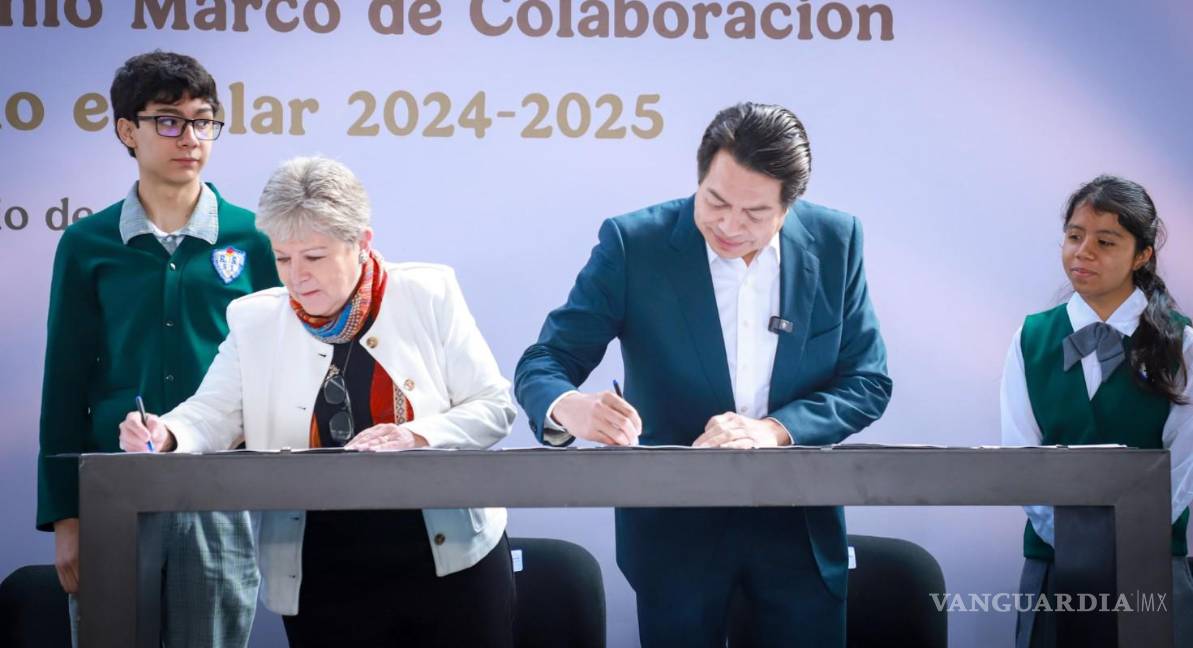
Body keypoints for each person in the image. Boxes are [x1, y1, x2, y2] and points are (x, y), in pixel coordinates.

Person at [514, 102, 892, 647]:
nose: (730, 226)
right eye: (715, 201)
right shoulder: (634, 243)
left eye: (755, 213)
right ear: (700, 177)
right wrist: (567, 407)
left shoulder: (837, 241)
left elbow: (867, 381)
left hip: (799, 529)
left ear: (789, 205)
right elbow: (544, 361)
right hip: (675, 532)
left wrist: (774, 430)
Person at [118, 156, 518, 647]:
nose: (296, 277)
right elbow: (212, 414)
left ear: (362, 243)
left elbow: (493, 406)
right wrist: (166, 432)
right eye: (283, 259)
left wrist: (417, 435)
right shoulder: (253, 320)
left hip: (451, 557)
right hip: (321, 568)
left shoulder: (428, 292)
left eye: (314, 257)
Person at [36, 51, 277, 647]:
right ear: (127, 130)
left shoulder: (255, 238)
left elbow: (280, 369)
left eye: (203, 121)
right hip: (113, 490)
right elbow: (64, 382)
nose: (190, 138)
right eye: (169, 121)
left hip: (219, 488)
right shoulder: (87, 243)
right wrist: (66, 517)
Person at [1001, 175, 1193, 647]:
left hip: (1152, 560)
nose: (1082, 252)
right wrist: (1070, 539)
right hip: (1052, 563)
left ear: (1142, 254)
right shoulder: (1031, 338)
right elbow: (1021, 458)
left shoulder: (1181, 343)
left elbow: (1184, 466)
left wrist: (1131, 536)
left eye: (1105, 242)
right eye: (1074, 236)